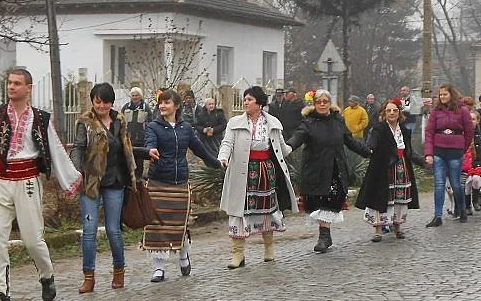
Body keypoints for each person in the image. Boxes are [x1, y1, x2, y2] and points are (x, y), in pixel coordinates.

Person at [0, 68, 82, 301]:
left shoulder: (41, 118)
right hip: (1, 182)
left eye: (17, 83)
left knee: (33, 240)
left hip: (27, 183)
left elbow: (55, 149)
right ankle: (0, 291)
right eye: (10, 83)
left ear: (29, 88)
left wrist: (71, 179)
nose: (11, 87)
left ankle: (46, 276)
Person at [142, 89, 221, 282]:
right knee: (156, 225)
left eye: (167, 102)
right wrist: (150, 150)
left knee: (180, 223)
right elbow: (149, 143)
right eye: (160, 102)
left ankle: (183, 254)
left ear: (176, 106)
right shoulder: (153, 126)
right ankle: (158, 268)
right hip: (158, 181)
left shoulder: (186, 128)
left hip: (180, 182)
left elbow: (200, 149)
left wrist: (217, 163)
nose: (162, 106)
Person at [218, 86, 297, 267]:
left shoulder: (272, 123)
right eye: (245, 99)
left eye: (250, 99)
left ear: (260, 103)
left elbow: (282, 148)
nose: (246, 102)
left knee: (267, 211)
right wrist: (223, 157)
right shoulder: (235, 123)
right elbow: (227, 143)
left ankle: (269, 249)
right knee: (239, 210)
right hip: (241, 172)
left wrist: (293, 146)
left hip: (265, 172)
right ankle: (237, 255)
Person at [70, 83, 139, 292]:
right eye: (97, 101)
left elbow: (127, 147)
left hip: (115, 181)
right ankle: (88, 276)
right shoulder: (85, 122)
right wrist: (75, 172)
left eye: (106, 101)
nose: (101, 105)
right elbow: (78, 148)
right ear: (92, 101)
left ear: (112, 102)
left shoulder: (119, 120)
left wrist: (145, 154)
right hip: (91, 181)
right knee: (89, 230)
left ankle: (119, 271)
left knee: (113, 229)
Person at [287, 89, 370, 253]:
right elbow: (299, 136)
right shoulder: (308, 123)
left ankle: (324, 236)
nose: (322, 104)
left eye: (325, 101)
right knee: (316, 203)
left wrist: (368, 152)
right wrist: (288, 146)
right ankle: (325, 234)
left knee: (329, 203)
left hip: (334, 169)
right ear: (314, 104)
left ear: (330, 103)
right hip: (314, 169)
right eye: (319, 102)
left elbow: (350, 141)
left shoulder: (338, 121)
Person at [356, 99, 419, 241]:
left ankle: (397, 227)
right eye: (389, 110)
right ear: (384, 113)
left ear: (399, 113)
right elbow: (373, 142)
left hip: (401, 166)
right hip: (383, 167)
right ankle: (378, 230)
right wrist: (369, 149)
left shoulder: (404, 130)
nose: (392, 113)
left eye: (395, 110)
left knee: (399, 196)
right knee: (381, 196)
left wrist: (423, 161)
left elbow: (409, 150)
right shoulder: (379, 128)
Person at [424, 83, 474, 226]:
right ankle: (437, 216)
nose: (442, 97)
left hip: (455, 151)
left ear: (451, 94)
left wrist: (462, 148)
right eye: (440, 95)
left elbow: (469, 131)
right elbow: (429, 132)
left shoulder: (462, 111)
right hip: (439, 150)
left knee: (456, 184)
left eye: (444, 94)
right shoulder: (436, 112)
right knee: (439, 184)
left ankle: (462, 209)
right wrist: (429, 153)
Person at [121, 86, 150, 179]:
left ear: (140, 96)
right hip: (128, 139)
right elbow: (121, 121)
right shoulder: (126, 108)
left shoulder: (146, 108)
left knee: (139, 162)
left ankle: (138, 179)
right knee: (128, 160)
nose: (134, 97)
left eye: (136, 95)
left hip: (140, 139)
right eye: (133, 95)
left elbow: (150, 123)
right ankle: (129, 178)